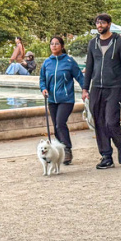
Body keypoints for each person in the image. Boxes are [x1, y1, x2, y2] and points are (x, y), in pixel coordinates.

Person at [81, 13, 121, 170]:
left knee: (110, 122)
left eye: (102, 23)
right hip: (96, 87)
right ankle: (106, 156)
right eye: (97, 23)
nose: (99, 26)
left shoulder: (120, 42)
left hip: (114, 87)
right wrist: (85, 88)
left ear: (109, 24)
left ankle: (120, 142)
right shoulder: (93, 43)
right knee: (99, 122)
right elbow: (89, 67)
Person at [39, 36, 84, 165]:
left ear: (62, 46)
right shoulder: (47, 62)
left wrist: (85, 90)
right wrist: (43, 89)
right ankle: (59, 151)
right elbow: (42, 79)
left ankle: (67, 149)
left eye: (57, 44)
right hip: (52, 99)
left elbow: (80, 77)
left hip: (66, 99)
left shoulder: (69, 61)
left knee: (60, 123)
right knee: (56, 126)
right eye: (52, 44)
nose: (54, 46)